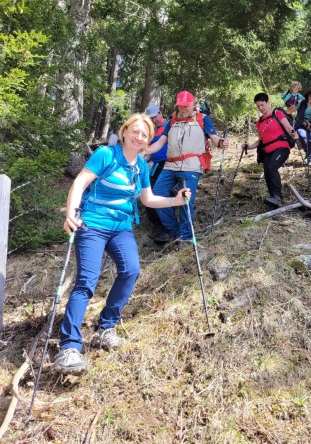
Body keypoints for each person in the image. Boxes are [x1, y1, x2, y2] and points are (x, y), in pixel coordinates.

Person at [53, 114, 191, 374]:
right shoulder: (106, 154)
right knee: (86, 281)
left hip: (121, 228)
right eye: (135, 132)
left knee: (130, 271)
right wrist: (71, 213)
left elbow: (148, 199)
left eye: (144, 135)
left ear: (147, 141)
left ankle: (106, 327)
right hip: (92, 224)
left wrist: (176, 201)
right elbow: (80, 182)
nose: (139, 137)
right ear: (125, 132)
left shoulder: (140, 165)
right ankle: (69, 347)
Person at [145, 90, 229, 242]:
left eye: (186, 106)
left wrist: (221, 142)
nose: (183, 109)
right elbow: (159, 143)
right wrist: (143, 151)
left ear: (193, 104)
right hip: (170, 166)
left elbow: (214, 138)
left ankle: (186, 236)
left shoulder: (203, 119)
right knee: (156, 195)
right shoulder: (171, 121)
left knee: (185, 200)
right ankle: (174, 231)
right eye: (180, 106)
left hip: (191, 166)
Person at [245, 92, 299, 208]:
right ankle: (273, 200)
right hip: (267, 151)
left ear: (268, 103)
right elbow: (260, 140)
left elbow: (288, 127)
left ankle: (277, 197)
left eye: (262, 105)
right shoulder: (259, 123)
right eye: (258, 106)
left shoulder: (277, 113)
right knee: (267, 172)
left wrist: (293, 133)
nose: (261, 108)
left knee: (272, 167)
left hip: (281, 147)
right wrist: (249, 146)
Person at [144, 104, 171, 243]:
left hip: (168, 163)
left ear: (160, 113)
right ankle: (157, 225)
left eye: (156, 116)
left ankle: (166, 228)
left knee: (156, 192)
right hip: (155, 165)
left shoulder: (169, 125)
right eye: (152, 119)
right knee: (145, 191)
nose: (155, 120)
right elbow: (148, 154)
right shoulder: (152, 132)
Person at [295, 87, 311, 167]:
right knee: (302, 136)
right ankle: (307, 153)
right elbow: (295, 112)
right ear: (308, 95)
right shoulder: (301, 103)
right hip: (301, 125)